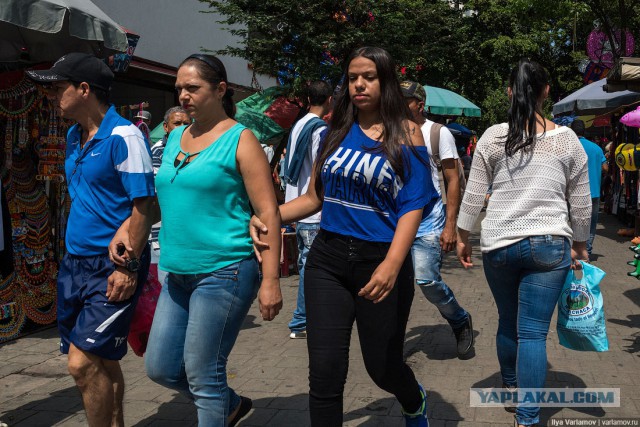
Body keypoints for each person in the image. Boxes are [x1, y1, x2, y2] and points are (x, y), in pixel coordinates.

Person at [252, 46, 438, 427]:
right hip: (328, 260)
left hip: (380, 263)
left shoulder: (407, 133)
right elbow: (315, 197)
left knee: (382, 367)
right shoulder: (334, 131)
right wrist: (269, 216)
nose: (359, 84)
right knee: (325, 372)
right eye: (352, 78)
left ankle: (412, 397)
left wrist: (391, 264)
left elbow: (413, 205)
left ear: (385, 81)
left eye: (368, 76)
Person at [110, 53, 282, 426]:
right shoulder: (175, 137)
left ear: (220, 89)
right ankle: (230, 405)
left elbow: (268, 213)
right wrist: (128, 228)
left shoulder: (241, 139)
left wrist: (270, 280)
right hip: (175, 271)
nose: (183, 96)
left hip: (225, 271)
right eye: (179, 90)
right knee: (160, 367)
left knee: (205, 375)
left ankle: (218, 406)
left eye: (193, 88)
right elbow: (164, 199)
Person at [456, 59, 591, 427]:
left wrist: (462, 236)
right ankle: (528, 418)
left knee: (506, 320)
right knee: (533, 333)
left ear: (509, 92)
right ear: (547, 92)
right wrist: (580, 245)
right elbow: (581, 202)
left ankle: (511, 388)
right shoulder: (567, 139)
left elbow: (474, 194)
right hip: (549, 246)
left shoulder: (492, 137)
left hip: (499, 243)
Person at [27, 52, 156, 427]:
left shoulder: (125, 136)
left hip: (112, 266)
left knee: (81, 363)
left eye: (57, 87)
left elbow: (145, 207)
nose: (51, 95)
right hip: (74, 265)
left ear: (84, 90)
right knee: (102, 360)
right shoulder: (72, 136)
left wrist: (129, 268)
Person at [400, 80, 474, 359]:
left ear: (420, 105)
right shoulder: (387, 132)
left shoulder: (437, 133)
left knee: (427, 280)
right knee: (396, 283)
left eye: (405, 100)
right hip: (395, 219)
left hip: (429, 218)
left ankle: (459, 319)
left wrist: (450, 225)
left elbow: (452, 179)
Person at [282, 80, 332, 339]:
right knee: (311, 271)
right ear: (330, 100)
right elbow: (320, 169)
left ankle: (304, 319)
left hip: (296, 207)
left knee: (306, 267)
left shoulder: (298, 125)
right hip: (312, 211)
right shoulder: (320, 129)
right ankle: (301, 321)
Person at [149, 106, 191, 285]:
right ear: (166, 127)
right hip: (164, 239)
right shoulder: (158, 153)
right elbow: (161, 194)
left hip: (191, 237)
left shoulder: (194, 149)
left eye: (186, 123)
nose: (182, 127)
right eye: (177, 123)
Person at [571, 120, 608, 259]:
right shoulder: (596, 148)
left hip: (574, 193)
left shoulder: (570, 147)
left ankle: (574, 251)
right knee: (592, 224)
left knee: (574, 222)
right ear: (584, 131)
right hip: (594, 192)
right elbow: (605, 168)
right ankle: (588, 252)